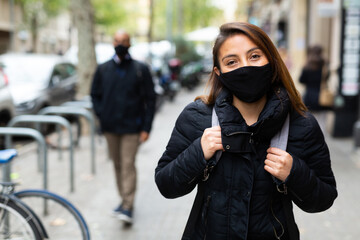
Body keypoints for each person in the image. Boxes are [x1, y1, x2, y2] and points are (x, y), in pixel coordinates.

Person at [155, 22, 337, 240]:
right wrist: (198, 153)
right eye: (231, 62)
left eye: (254, 57)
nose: (245, 67)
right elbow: (166, 184)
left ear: (271, 60)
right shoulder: (197, 117)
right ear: (218, 72)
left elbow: (324, 198)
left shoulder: (301, 124)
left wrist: (294, 173)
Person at [91, 30, 156, 225]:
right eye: (117, 40)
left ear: (130, 43)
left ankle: (128, 206)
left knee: (128, 165)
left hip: (132, 128)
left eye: (124, 41)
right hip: (110, 127)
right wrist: (101, 115)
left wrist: (146, 128)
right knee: (118, 165)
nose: (120, 44)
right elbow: (95, 95)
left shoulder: (140, 69)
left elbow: (151, 99)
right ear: (112, 42)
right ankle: (123, 200)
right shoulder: (103, 69)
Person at [299, 45, 330, 132]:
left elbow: (301, 80)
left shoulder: (307, 65)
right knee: (322, 122)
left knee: (310, 121)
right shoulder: (325, 65)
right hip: (322, 97)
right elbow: (327, 78)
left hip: (309, 96)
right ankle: (322, 142)